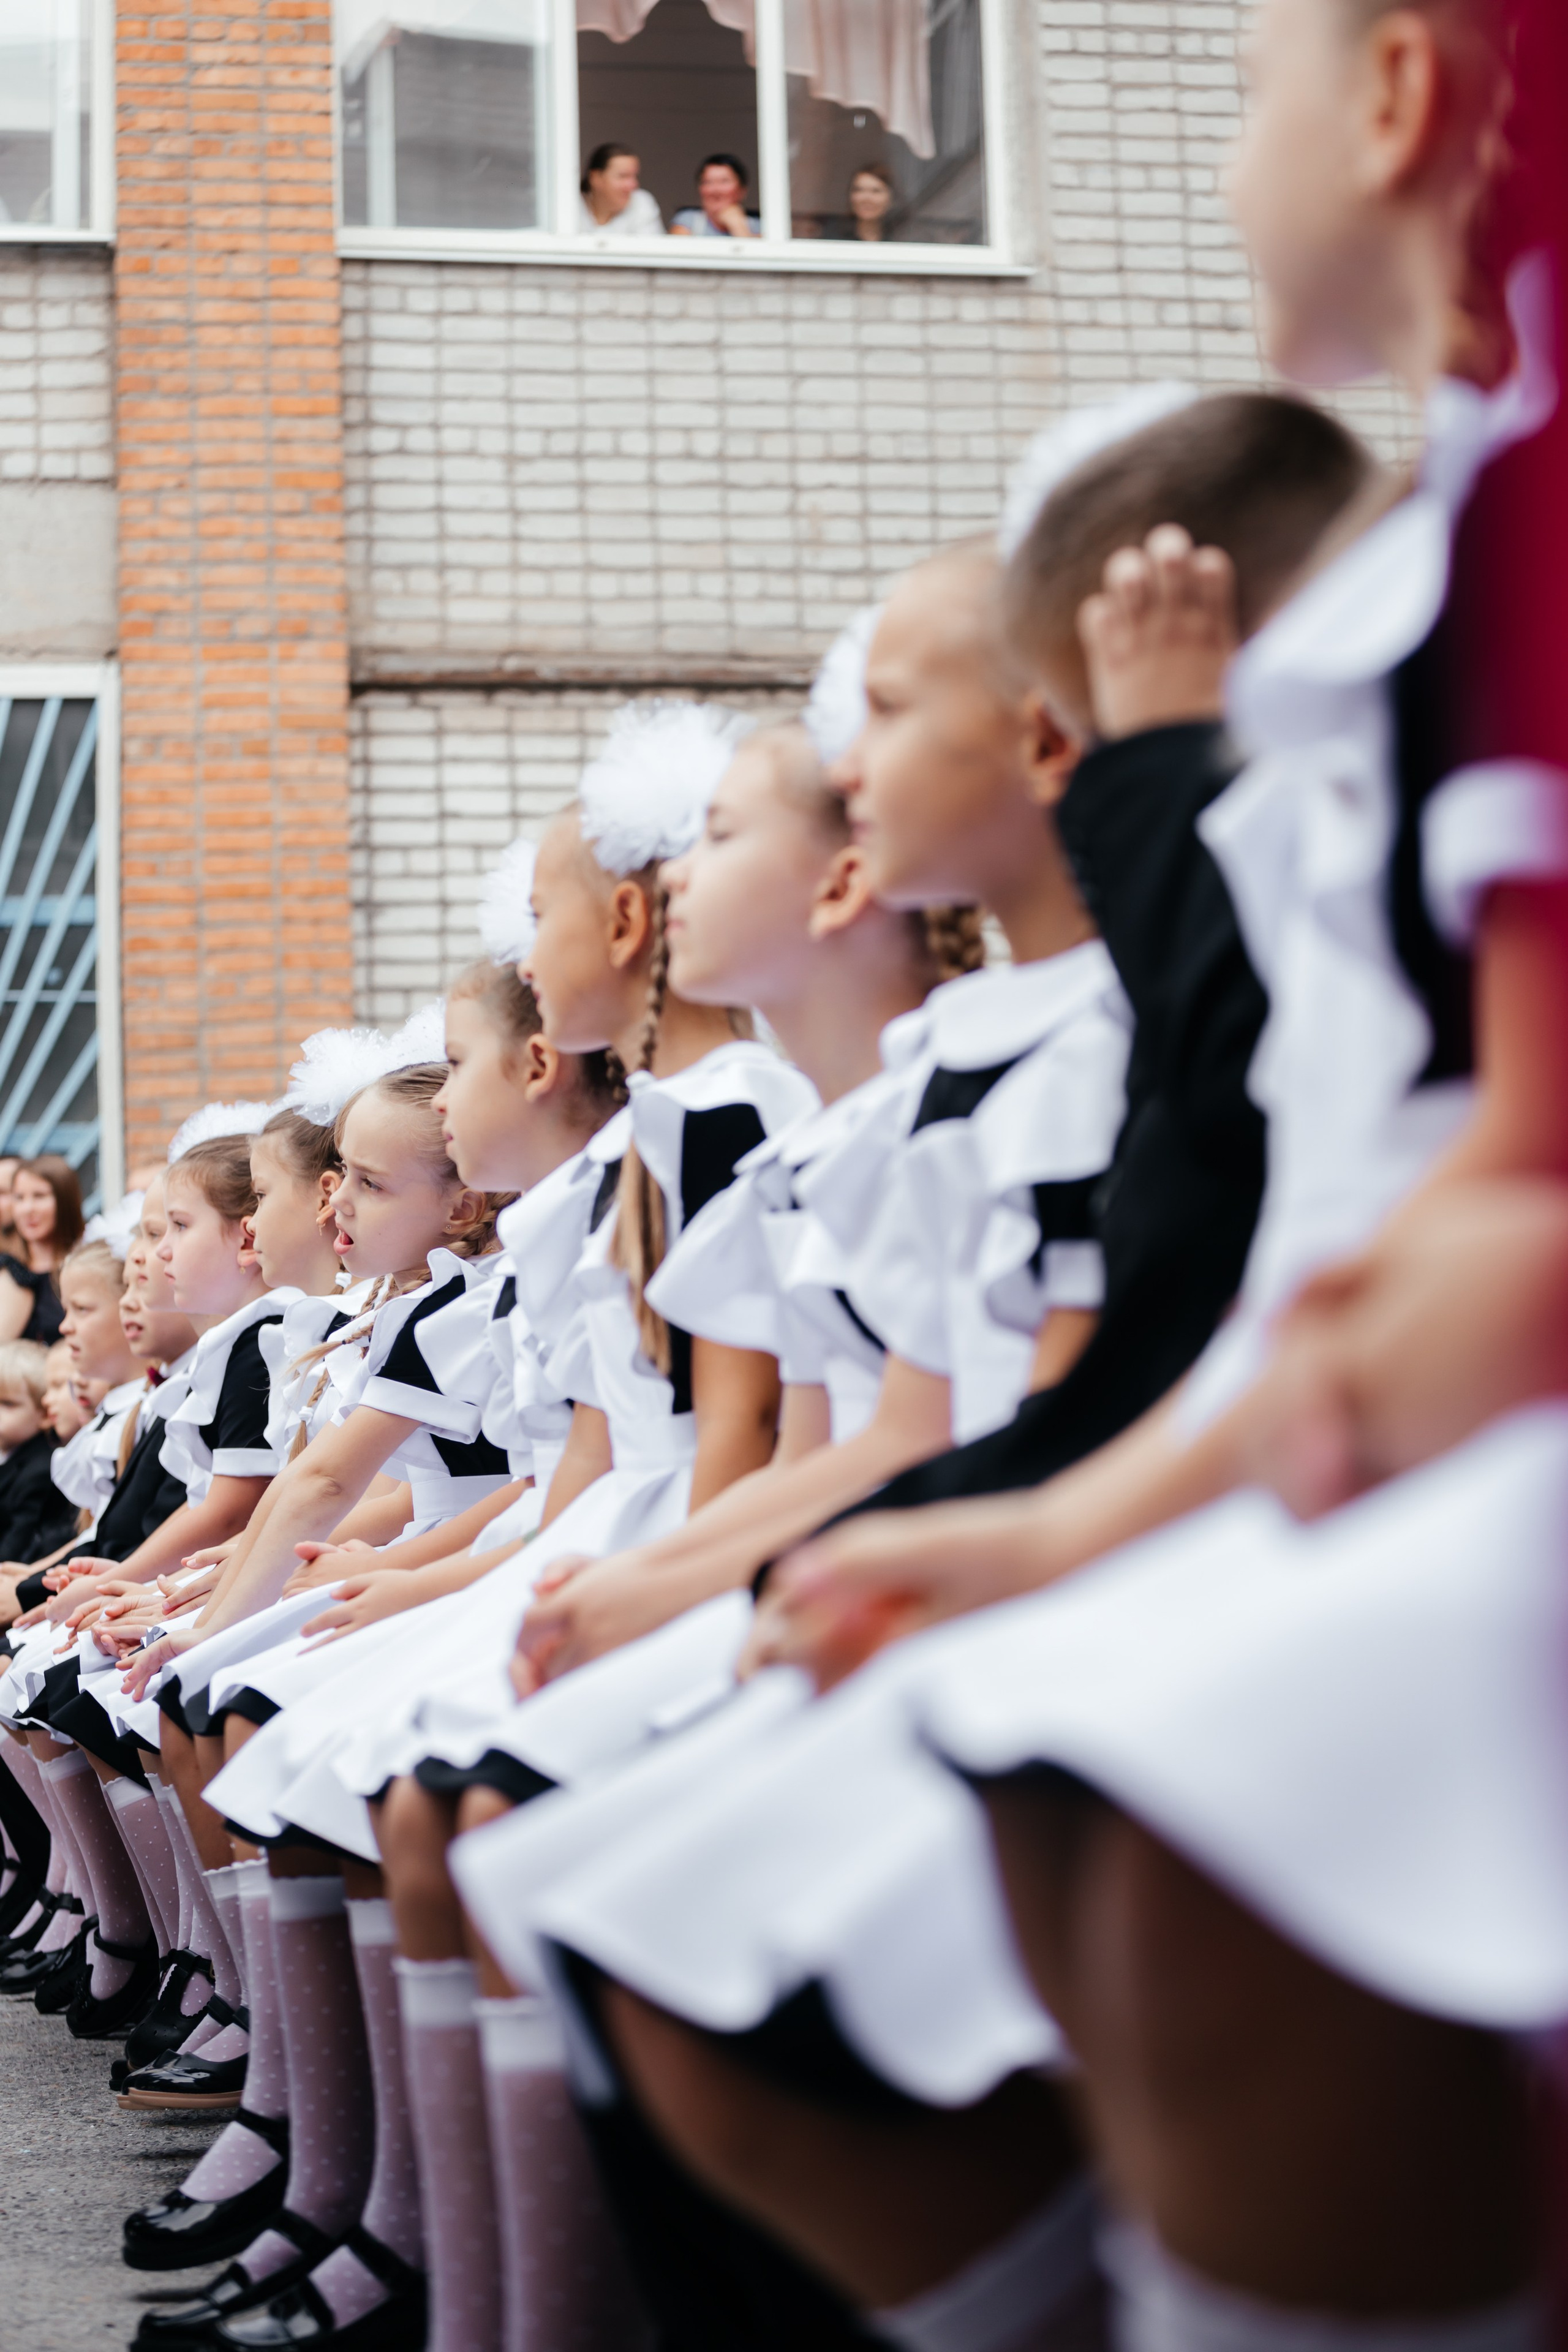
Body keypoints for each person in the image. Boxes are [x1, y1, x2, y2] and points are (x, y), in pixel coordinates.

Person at [0, 1154, 85, 1344]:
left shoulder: (85, 1266)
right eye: (19, 1198)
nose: (28, 1208)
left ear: (65, 1201)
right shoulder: (7, 1269)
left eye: (40, 1196)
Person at [577, 140, 664, 236]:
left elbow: (649, 248)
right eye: (623, 176)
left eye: (634, 176)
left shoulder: (641, 202)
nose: (633, 184)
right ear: (596, 178)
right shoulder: (570, 206)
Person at [671, 153, 759, 239]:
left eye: (724, 181)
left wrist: (739, 228)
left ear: (742, 190)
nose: (715, 190)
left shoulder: (761, 226)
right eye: (708, 182)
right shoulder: (687, 221)